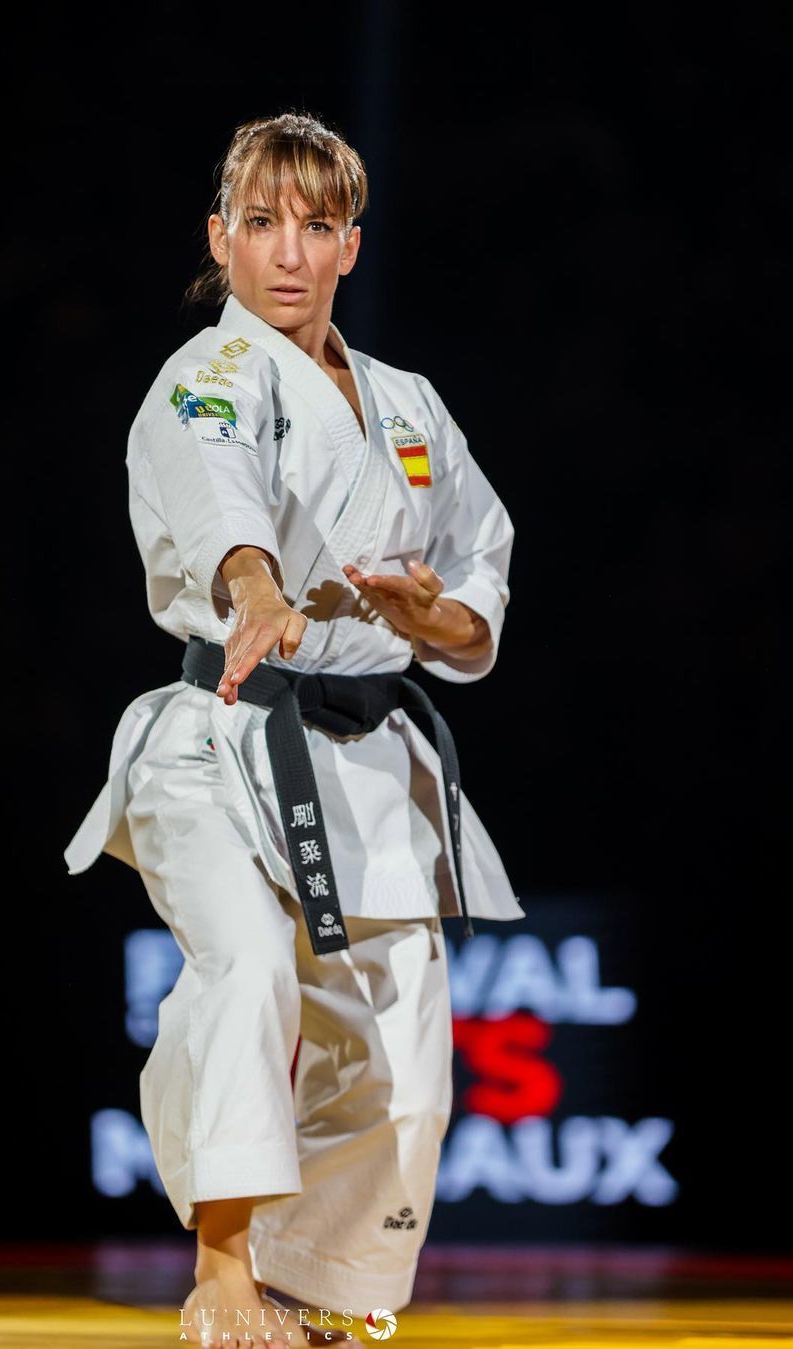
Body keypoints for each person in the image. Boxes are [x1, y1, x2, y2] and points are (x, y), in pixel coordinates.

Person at [63, 112, 525, 1346]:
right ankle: (220, 1272)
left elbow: (480, 567)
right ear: (220, 237)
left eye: (316, 227)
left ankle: (309, 1294)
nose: (287, 251)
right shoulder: (206, 375)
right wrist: (257, 587)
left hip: (368, 759)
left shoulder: (410, 405)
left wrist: (437, 615)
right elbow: (218, 496)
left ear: (349, 247)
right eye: (261, 223)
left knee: (406, 1064)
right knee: (252, 964)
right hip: (223, 733)